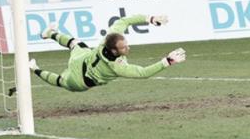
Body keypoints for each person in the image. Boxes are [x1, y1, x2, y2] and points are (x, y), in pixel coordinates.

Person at [29, 15, 186, 92]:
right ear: (113, 50)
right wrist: (168, 61)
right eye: (123, 48)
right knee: (61, 80)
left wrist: (150, 18)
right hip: (79, 80)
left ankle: (46, 38)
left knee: (75, 43)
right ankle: (35, 68)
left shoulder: (109, 38)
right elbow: (143, 73)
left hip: (84, 63)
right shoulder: (117, 66)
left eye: (126, 45)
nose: (128, 49)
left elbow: (124, 21)